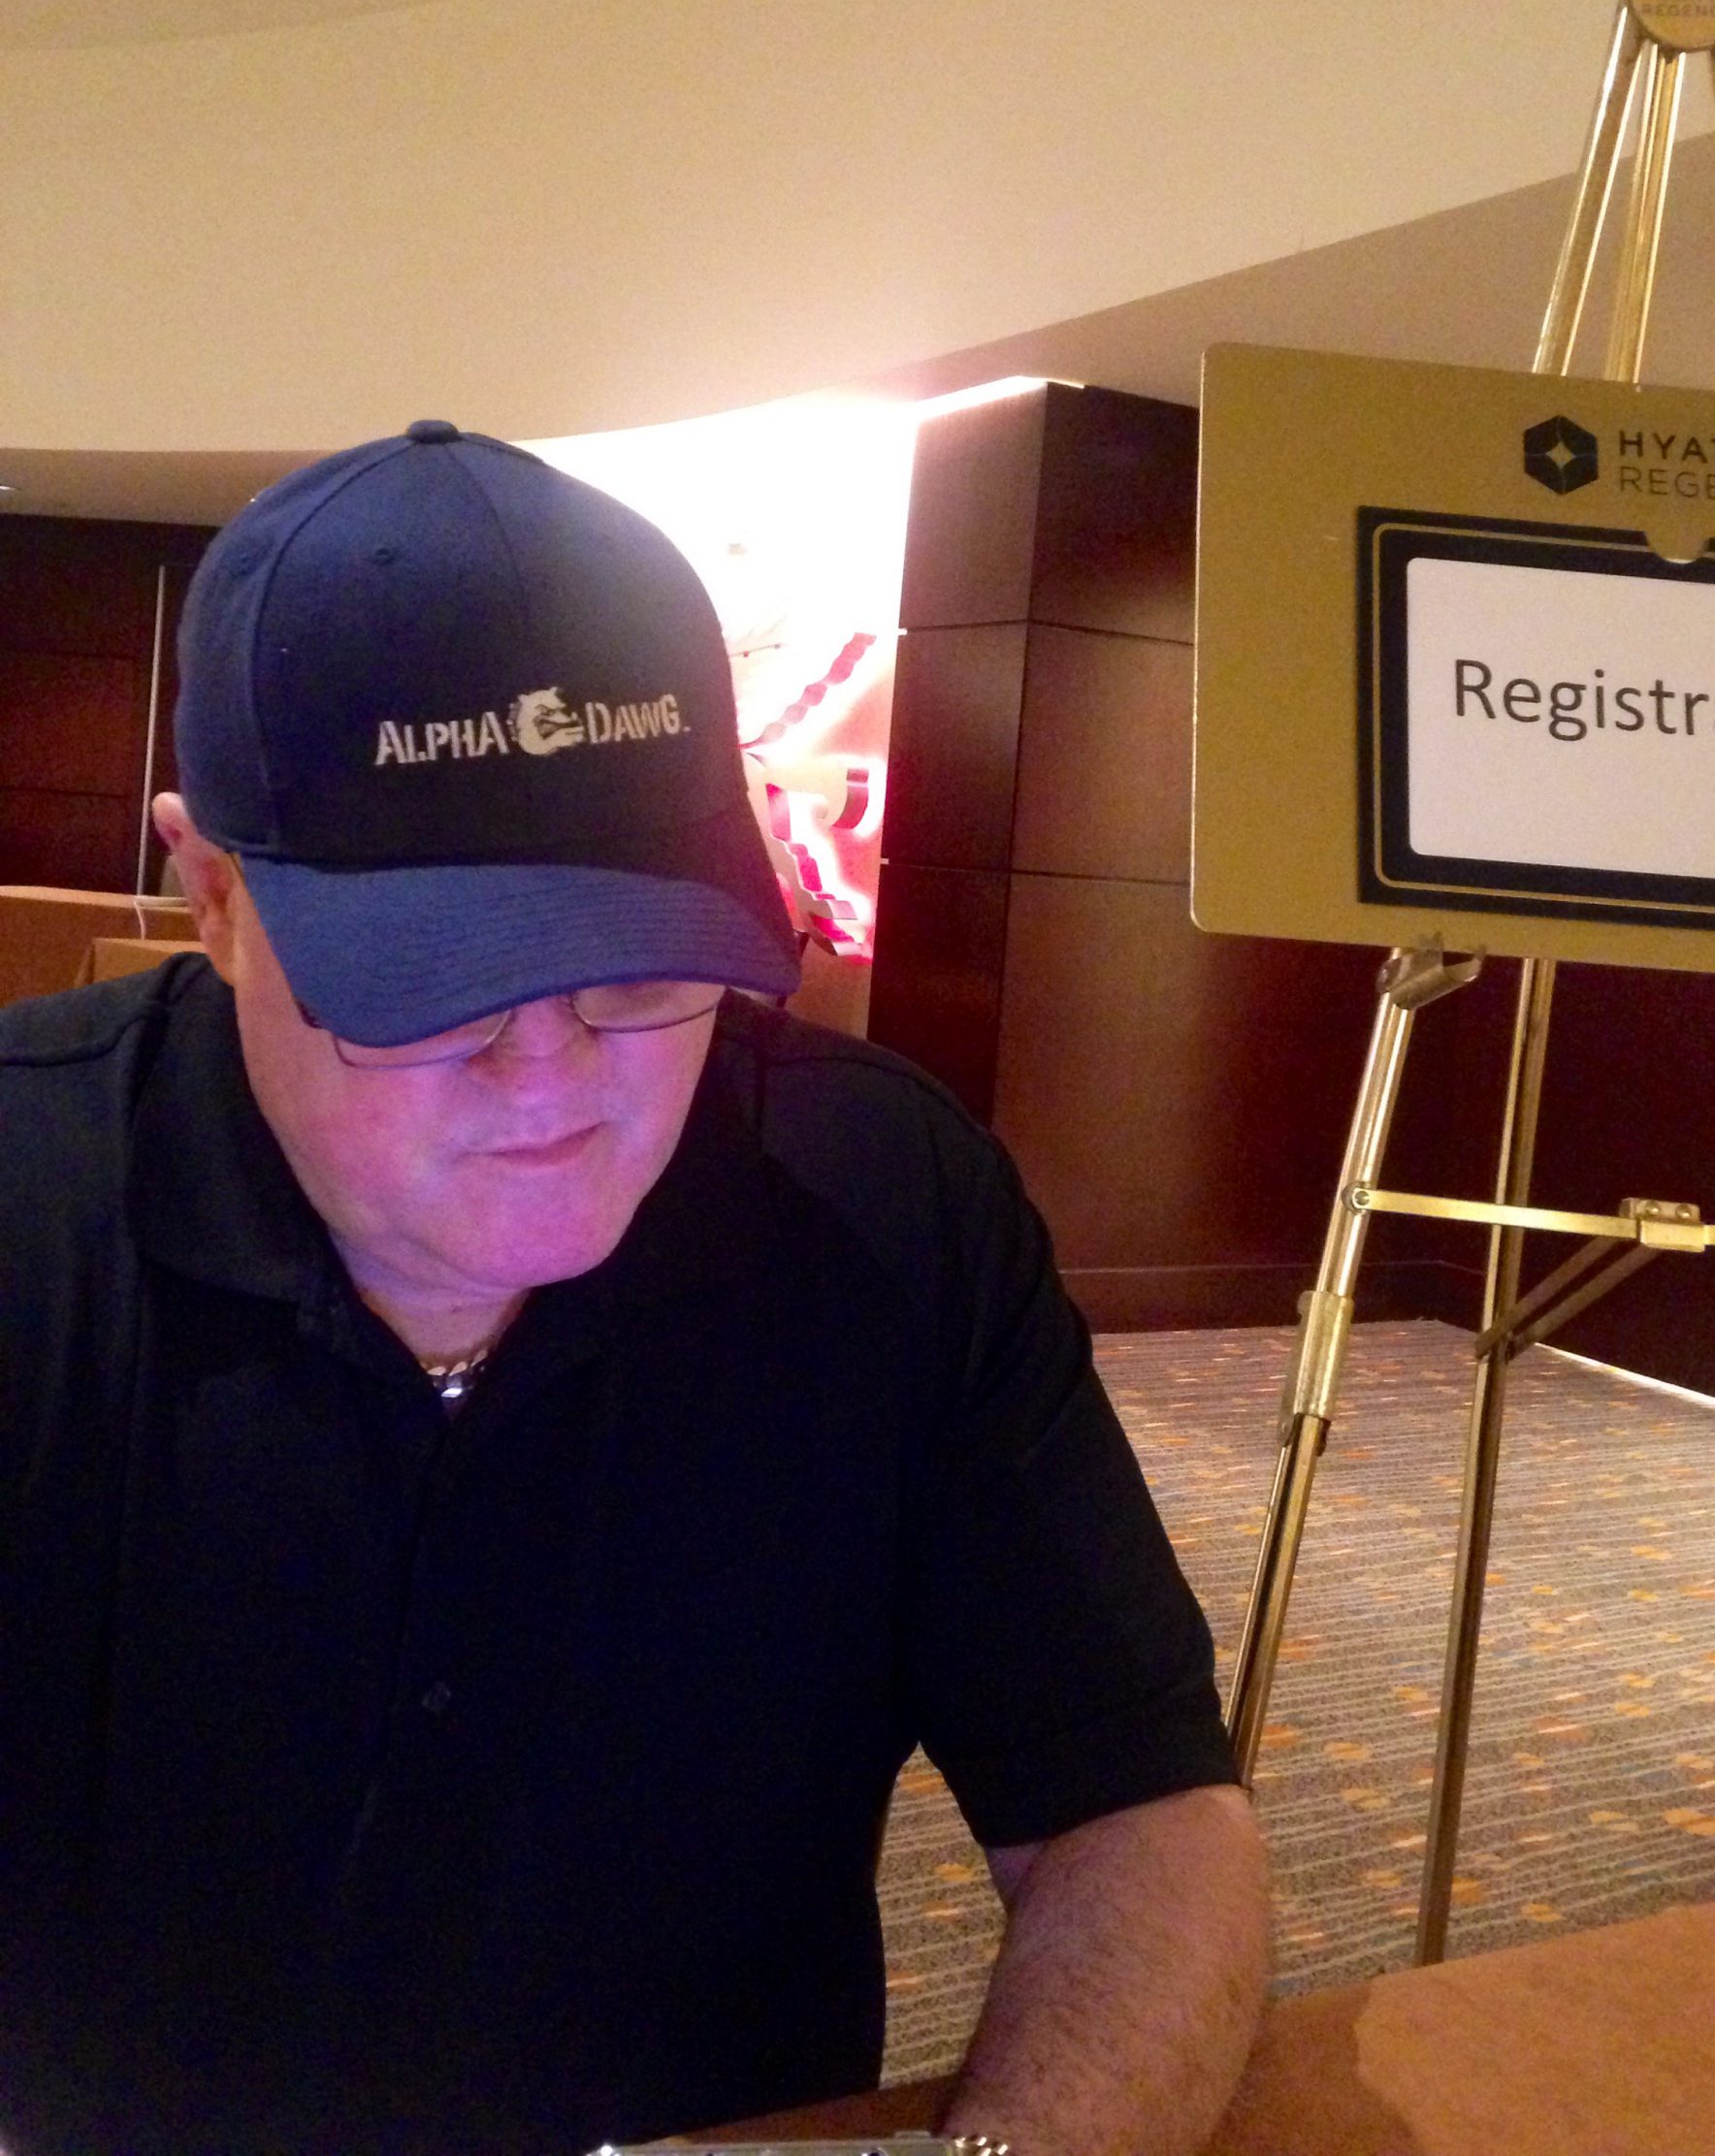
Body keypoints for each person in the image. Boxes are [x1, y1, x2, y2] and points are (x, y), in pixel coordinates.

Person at [0, 424, 1269, 2156]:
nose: (553, 1081)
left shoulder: (882, 1205)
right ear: (211, 897)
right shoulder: (31, 1210)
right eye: (435, 989)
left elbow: (1138, 1806)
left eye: (638, 967)